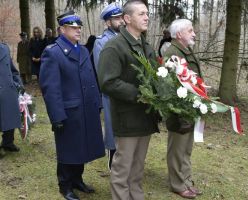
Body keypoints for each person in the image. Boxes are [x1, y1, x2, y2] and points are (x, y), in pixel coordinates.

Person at [39, 11, 105, 200]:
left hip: (86, 107)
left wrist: (97, 102)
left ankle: (77, 179)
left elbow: (91, 78)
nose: (78, 31)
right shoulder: (53, 52)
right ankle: (65, 185)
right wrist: (57, 116)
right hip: (68, 111)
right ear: (62, 30)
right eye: (73, 28)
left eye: (79, 27)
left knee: (82, 146)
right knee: (68, 149)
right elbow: (50, 88)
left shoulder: (82, 49)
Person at [97, 0, 159, 199]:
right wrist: (140, 94)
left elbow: (155, 77)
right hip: (127, 117)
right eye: (141, 13)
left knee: (138, 166)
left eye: (147, 13)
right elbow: (108, 82)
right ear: (127, 18)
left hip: (145, 117)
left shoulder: (145, 46)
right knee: (123, 168)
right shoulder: (114, 47)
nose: (147, 17)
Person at [163, 19, 203, 199]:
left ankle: (186, 180)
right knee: (177, 150)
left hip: (190, 108)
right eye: (190, 30)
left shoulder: (185, 50)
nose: (194, 34)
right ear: (179, 34)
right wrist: (177, 111)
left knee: (186, 149)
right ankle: (177, 184)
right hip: (178, 111)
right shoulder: (172, 53)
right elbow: (168, 85)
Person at [93, 2, 124, 171]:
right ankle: (113, 162)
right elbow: (102, 72)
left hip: (127, 92)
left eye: (121, 17)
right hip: (111, 94)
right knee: (113, 127)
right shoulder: (101, 42)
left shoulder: (127, 37)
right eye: (116, 18)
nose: (120, 21)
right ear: (107, 22)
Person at [0, 42, 24, 153]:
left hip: (8, 89)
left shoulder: (4, 47)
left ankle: (8, 142)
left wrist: (18, 84)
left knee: (10, 116)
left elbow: (12, 69)